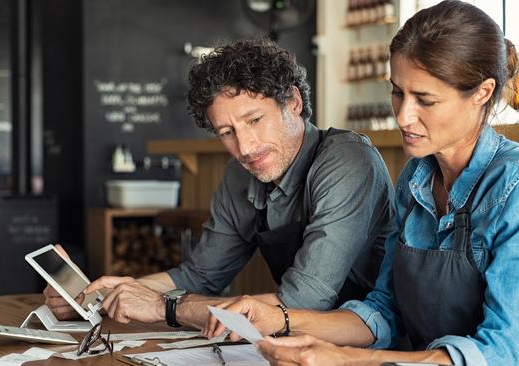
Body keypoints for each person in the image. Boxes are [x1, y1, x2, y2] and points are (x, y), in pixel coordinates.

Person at [205, 2, 519, 365]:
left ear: (482, 92)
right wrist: (282, 320)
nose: (403, 115)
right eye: (398, 92)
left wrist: (348, 359)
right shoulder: (416, 178)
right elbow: (385, 310)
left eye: (424, 99)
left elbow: (504, 351)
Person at [45, 39, 395, 330]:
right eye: (227, 133)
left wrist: (164, 307)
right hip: (298, 343)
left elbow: (303, 301)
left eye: (254, 120)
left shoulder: (347, 161)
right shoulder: (239, 175)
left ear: (293, 102)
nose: (245, 148)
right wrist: (108, 293)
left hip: (372, 342)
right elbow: (200, 274)